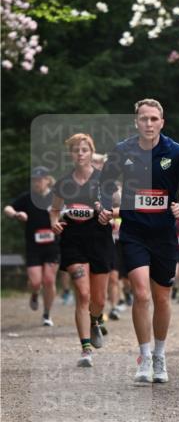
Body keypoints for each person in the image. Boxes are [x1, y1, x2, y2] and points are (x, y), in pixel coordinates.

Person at [99, 99, 179, 384]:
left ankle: (160, 354)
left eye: (154, 119)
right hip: (134, 232)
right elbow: (105, 184)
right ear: (136, 121)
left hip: (164, 234)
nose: (149, 124)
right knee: (141, 294)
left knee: (161, 297)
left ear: (162, 122)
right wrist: (105, 207)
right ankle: (143, 357)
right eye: (144, 119)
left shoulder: (176, 152)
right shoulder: (122, 150)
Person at [50, 135, 114, 367]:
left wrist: (109, 213)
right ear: (71, 154)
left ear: (91, 152)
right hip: (73, 241)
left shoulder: (103, 180)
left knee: (98, 300)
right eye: (76, 150)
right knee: (83, 295)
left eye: (84, 149)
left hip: (99, 241)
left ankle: (96, 319)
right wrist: (54, 222)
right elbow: (55, 210)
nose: (80, 153)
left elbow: (117, 205)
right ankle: (85, 348)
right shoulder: (63, 182)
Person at [4, 167, 59, 326]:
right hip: (33, 246)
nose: (37, 182)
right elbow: (7, 208)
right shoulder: (27, 198)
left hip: (53, 246)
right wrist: (16, 214)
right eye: (34, 180)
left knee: (49, 280)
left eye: (40, 179)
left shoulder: (56, 197)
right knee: (35, 282)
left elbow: (68, 212)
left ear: (47, 180)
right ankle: (35, 293)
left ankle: (47, 314)